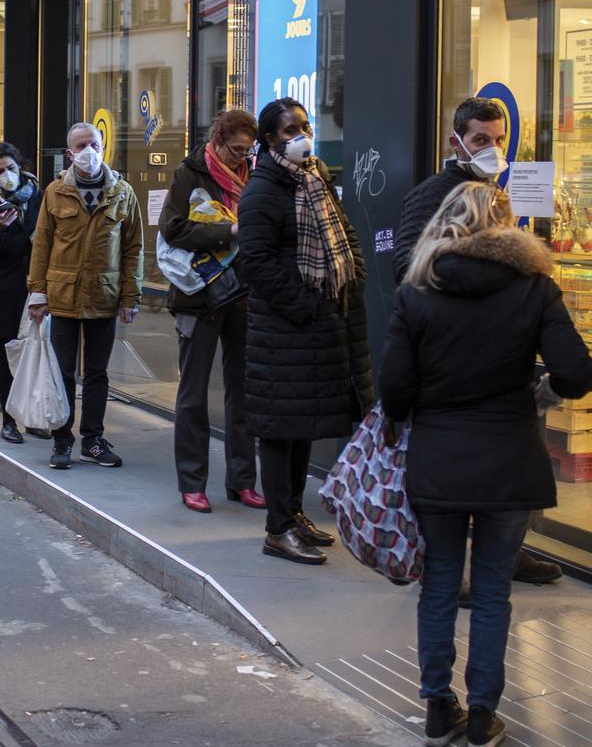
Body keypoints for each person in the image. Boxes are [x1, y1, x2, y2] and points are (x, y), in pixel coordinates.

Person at [380, 182, 592, 747]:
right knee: (495, 591)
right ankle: (481, 719)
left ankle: (435, 710)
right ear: (505, 227)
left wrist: (416, 410)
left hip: (439, 459)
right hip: (509, 458)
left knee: (441, 585)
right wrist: (543, 391)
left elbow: (395, 391)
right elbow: (578, 371)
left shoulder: (417, 293)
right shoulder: (534, 289)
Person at [393, 96, 564, 587]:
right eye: (481, 141)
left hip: (496, 353)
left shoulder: (491, 191)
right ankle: (461, 566)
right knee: (461, 466)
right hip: (452, 353)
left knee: (501, 462)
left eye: (499, 140)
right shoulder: (434, 195)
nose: (493, 149)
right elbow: (404, 266)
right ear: (457, 143)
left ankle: (505, 553)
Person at [238, 97, 373, 565]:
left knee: (301, 428)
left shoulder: (315, 178)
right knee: (279, 431)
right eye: (290, 129)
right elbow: (253, 261)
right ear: (270, 139)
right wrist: (305, 305)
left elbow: (345, 233)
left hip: (316, 325)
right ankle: (277, 528)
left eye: (305, 125)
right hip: (285, 330)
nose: (301, 134)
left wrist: (352, 275)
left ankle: (293, 515)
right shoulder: (263, 189)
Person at [158, 109, 264, 514]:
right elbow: (173, 230)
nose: (240, 158)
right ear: (217, 140)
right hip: (198, 294)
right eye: (235, 150)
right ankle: (192, 482)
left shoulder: (251, 175)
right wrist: (229, 232)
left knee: (242, 392)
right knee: (193, 393)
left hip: (241, 292)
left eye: (246, 151)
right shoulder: (190, 173)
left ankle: (241, 481)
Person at [27, 122, 144, 470]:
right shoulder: (55, 192)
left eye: (93, 143)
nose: (87, 151)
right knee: (62, 372)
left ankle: (92, 440)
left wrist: (130, 297)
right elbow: (42, 244)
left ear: (103, 145)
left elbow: (133, 249)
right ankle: (62, 439)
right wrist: (37, 293)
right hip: (62, 297)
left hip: (103, 298)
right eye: (80, 146)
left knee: (97, 373)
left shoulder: (123, 192)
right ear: (69, 153)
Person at [0, 142, 46, 444]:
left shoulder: (41, 198)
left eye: (12, 169)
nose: (7, 175)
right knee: (7, 356)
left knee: (35, 354)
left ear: (23, 168)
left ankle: (32, 418)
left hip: (35, 286)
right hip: (3, 287)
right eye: (0, 171)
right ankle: (8, 421)